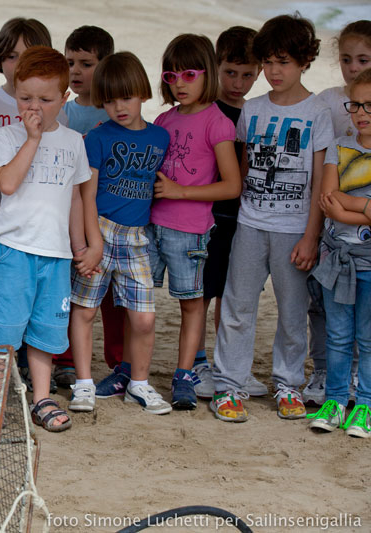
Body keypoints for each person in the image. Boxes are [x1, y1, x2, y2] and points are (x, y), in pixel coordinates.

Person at [210, 14, 333, 423]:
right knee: (238, 306)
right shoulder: (253, 110)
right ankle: (229, 385)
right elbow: (245, 169)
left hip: (294, 228)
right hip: (249, 224)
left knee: (293, 311)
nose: (273, 71)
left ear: (304, 61)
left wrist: (311, 235)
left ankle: (287, 384)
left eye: (283, 62)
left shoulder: (317, 112)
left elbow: (319, 181)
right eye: (268, 62)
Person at [0, 46, 91, 432]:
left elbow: (74, 197)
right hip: (13, 249)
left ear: (65, 98)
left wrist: (79, 246)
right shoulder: (8, 135)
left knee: (45, 330)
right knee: (4, 327)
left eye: (45, 99)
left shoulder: (74, 142)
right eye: (26, 98)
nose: (35, 107)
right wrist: (32, 139)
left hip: (54, 254)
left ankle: (41, 397)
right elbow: (6, 183)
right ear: (15, 95)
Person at [67, 52, 170, 415]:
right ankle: (83, 383)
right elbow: (86, 194)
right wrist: (90, 242)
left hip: (137, 237)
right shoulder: (97, 138)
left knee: (143, 317)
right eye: (108, 100)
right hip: (101, 230)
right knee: (85, 310)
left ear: (142, 92)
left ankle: (138, 384)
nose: (118, 107)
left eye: (125, 97)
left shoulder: (160, 137)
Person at [146, 34, 242, 410]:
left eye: (189, 73)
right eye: (171, 76)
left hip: (190, 229)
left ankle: (185, 374)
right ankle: (132, 369)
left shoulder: (217, 123)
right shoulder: (163, 119)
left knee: (192, 303)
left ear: (208, 74)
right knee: (139, 303)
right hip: (151, 225)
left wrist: (180, 192)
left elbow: (232, 185)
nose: (180, 83)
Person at [0, 17, 60, 391]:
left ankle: (28, 368)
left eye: (27, 55)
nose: (18, 64)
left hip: (38, 226)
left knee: (35, 303)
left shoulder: (53, 109)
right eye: (11, 56)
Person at [195, 26, 266, 399]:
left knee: (234, 293)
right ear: (216, 66)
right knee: (201, 290)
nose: (238, 82)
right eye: (230, 72)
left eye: (247, 74)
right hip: (209, 212)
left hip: (246, 215)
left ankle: (226, 365)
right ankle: (196, 361)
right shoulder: (208, 110)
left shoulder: (255, 113)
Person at [54, 24, 125, 390]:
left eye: (86, 63)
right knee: (71, 290)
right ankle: (65, 360)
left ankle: (119, 360)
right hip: (71, 217)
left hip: (112, 216)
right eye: (70, 63)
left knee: (113, 297)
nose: (76, 71)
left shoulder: (118, 112)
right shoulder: (62, 112)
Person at [304, 19, 371, 406]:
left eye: (363, 60)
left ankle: (362, 394)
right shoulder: (332, 117)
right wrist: (360, 210)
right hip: (335, 248)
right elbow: (327, 196)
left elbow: (339, 202)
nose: (353, 67)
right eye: (347, 59)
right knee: (332, 322)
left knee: (364, 330)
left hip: (365, 255)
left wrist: (350, 208)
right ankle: (330, 385)